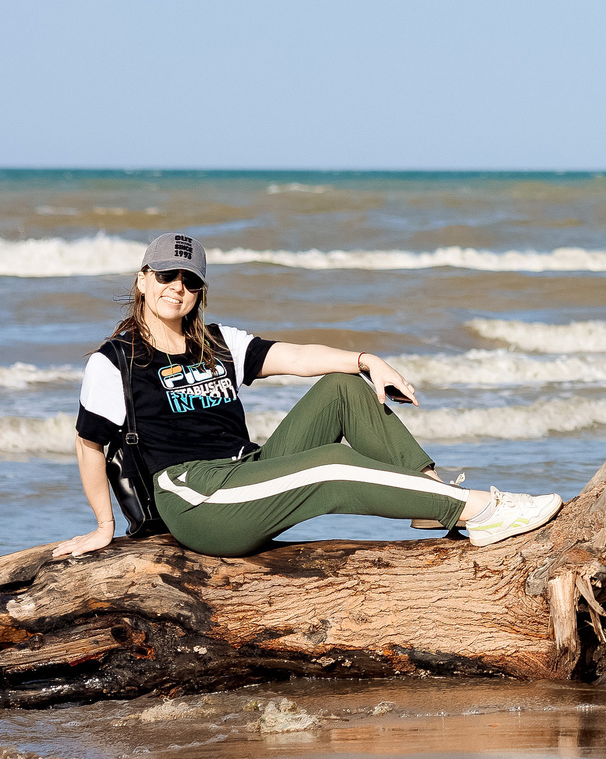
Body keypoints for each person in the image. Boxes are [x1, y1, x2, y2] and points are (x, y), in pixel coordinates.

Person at [51, 232, 560, 561]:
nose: (176, 287)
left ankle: (430, 495)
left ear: (199, 291)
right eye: (165, 276)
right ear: (143, 281)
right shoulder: (114, 362)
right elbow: (88, 445)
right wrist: (103, 527)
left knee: (342, 387)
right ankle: (482, 510)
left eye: (189, 280)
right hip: (196, 499)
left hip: (246, 471)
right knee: (330, 465)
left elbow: (295, 357)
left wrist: (367, 361)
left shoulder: (218, 343)